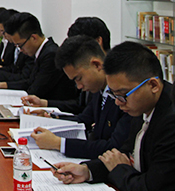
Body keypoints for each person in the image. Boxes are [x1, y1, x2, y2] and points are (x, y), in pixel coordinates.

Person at [53, 42, 175, 190]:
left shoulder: (170, 122)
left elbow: (150, 187)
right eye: (113, 94)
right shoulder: (141, 105)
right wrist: (87, 171)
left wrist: (119, 169)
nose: (118, 102)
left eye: (122, 95)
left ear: (153, 85)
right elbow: (122, 155)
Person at [30, 35, 131, 158]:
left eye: (79, 78)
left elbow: (113, 147)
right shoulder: (98, 89)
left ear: (96, 65)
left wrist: (59, 144)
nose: (79, 86)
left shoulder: (125, 96)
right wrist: (51, 118)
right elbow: (84, 119)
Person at [23, 16, 112, 114]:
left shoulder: (115, 83)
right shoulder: (89, 74)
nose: (79, 86)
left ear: (97, 42)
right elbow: (82, 108)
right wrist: (45, 105)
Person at [0, 12, 77, 101]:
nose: (20, 50)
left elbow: (35, 90)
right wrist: (2, 85)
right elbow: (29, 82)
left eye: (20, 45)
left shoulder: (50, 54)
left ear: (33, 38)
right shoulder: (42, 51)